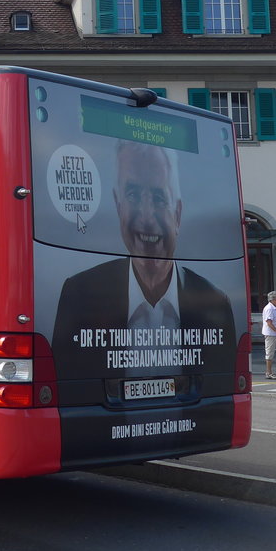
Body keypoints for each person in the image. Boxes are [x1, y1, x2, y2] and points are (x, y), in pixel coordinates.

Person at [52, 140, 236, 381]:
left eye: (159, 198)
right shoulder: (78, 295)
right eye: (133, 195)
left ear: (177, 215)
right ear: (119, 207)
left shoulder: (216, 303)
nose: (147, 217)